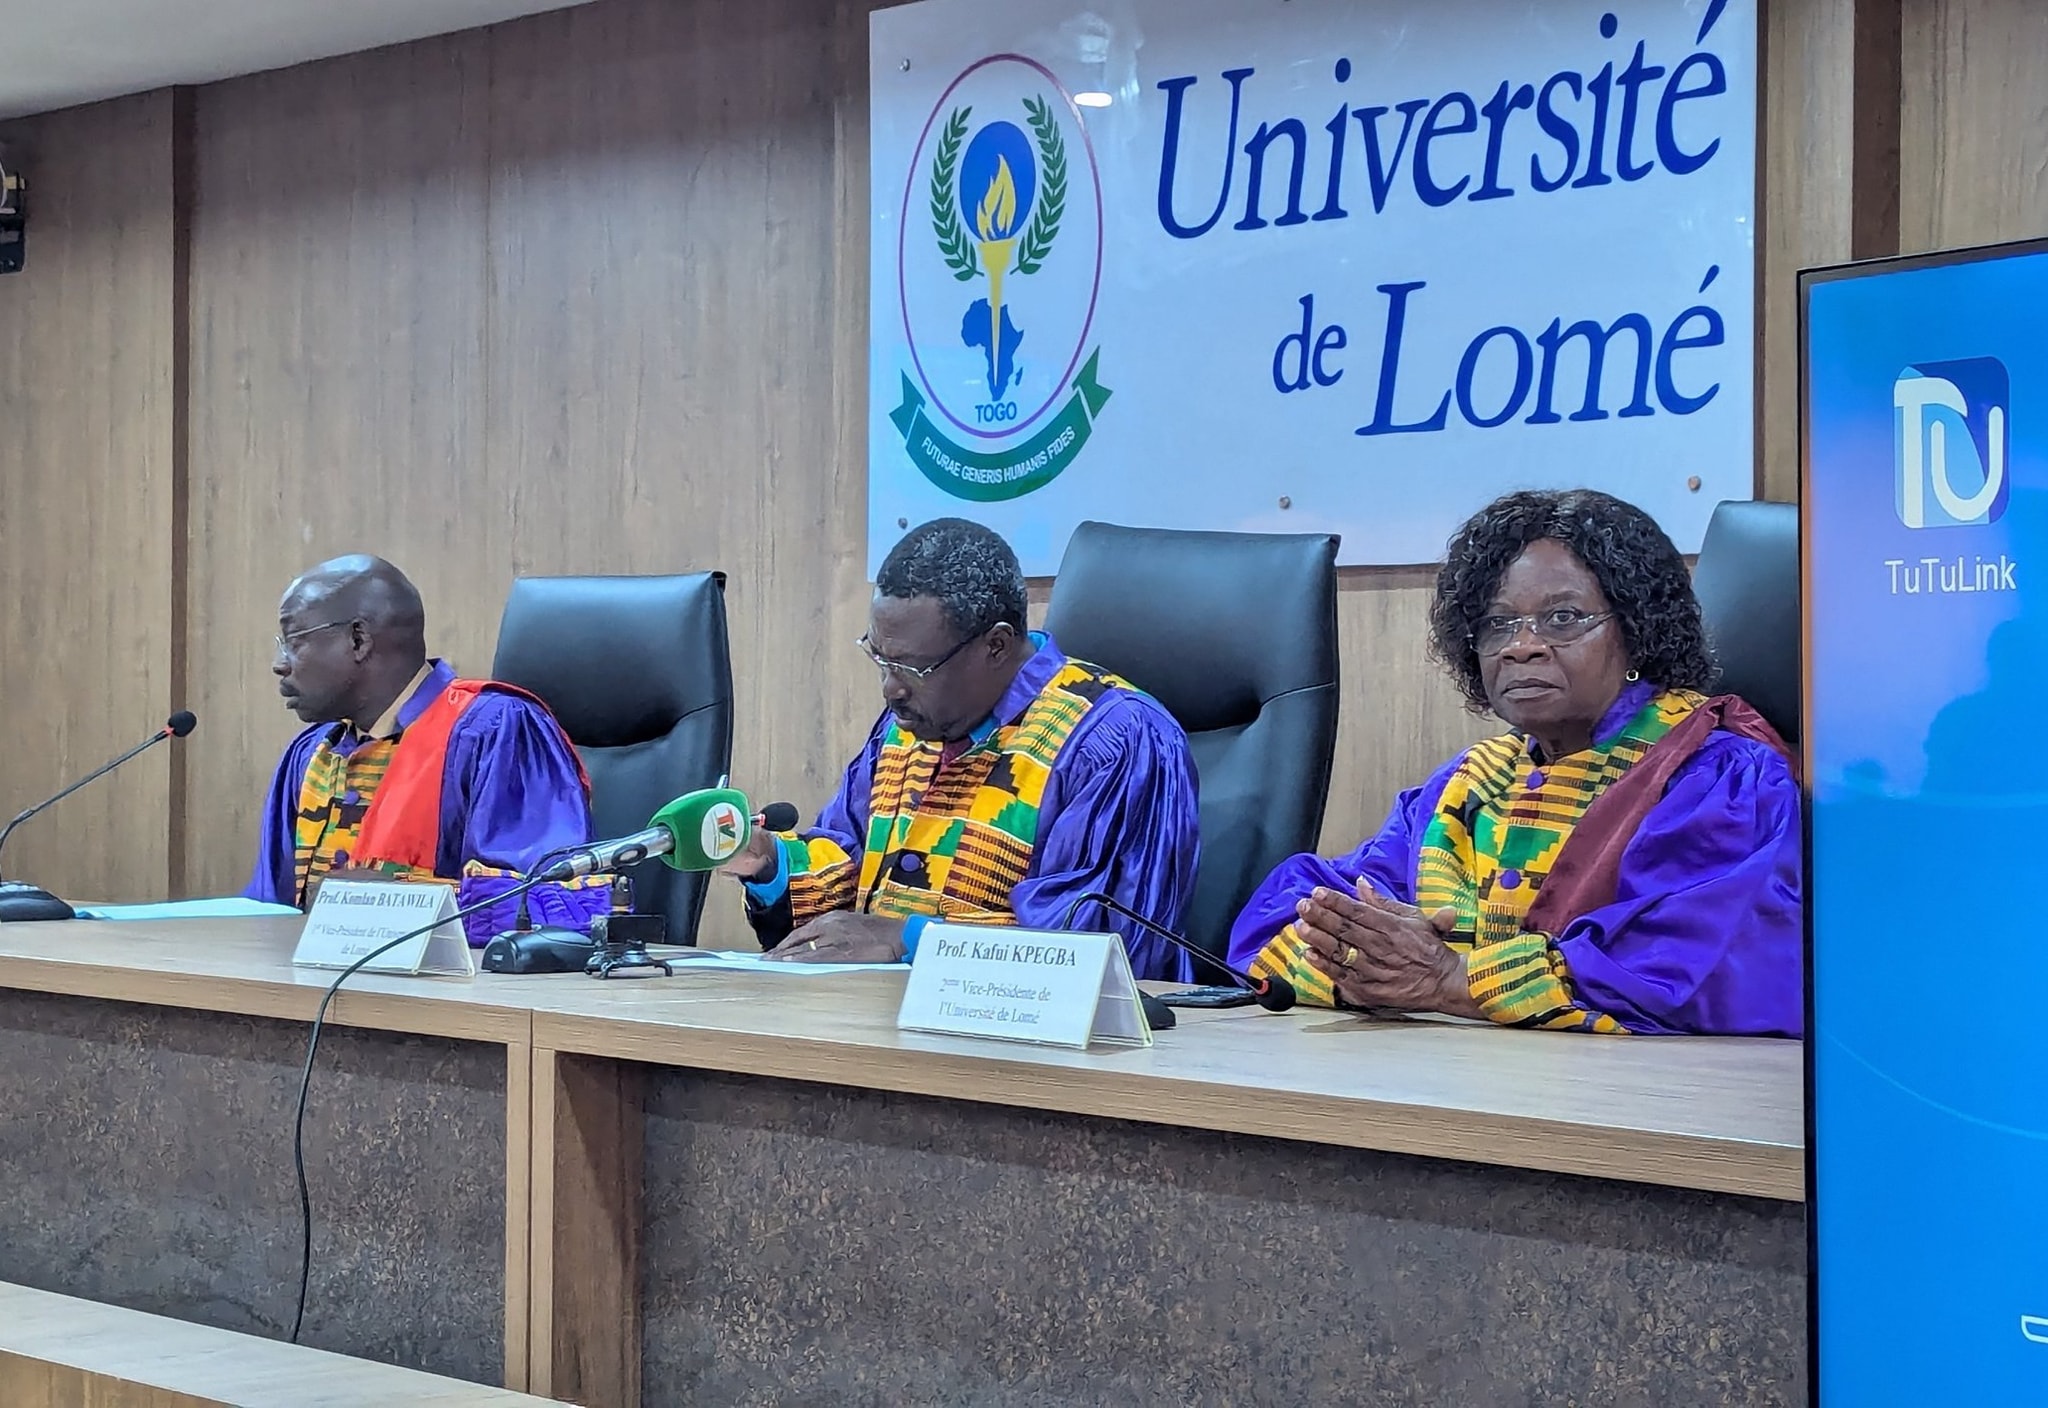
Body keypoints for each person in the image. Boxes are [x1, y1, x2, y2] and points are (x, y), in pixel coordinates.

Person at [1229, 490, 1802, 1036]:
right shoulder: (1467, 785)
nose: (1520, 646)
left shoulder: (1716, 777)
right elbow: (1295, 920)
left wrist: (1451, 980)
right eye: (1498, 624)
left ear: (1637, 633)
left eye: (1563, 618)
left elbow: (1689, 971)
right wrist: (1361, 962)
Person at [720, 518, 1200, 980]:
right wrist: (768, 862)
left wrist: (908, 940)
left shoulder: (1114, 738)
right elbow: (850, 878)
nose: (890, 689)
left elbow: (1101, 945)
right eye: (879, 658)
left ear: (996, 646)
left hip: (1037, 1053)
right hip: (885, 1029)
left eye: (912, 668)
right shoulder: (910, 723)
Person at [246, 555, 605, 944]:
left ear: (358, 640)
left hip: (454, 997)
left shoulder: (495, 731)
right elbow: (272, 914)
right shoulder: (310, 753)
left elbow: (552, 908)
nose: (279, 665)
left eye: (295, 641)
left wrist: (390, 901)